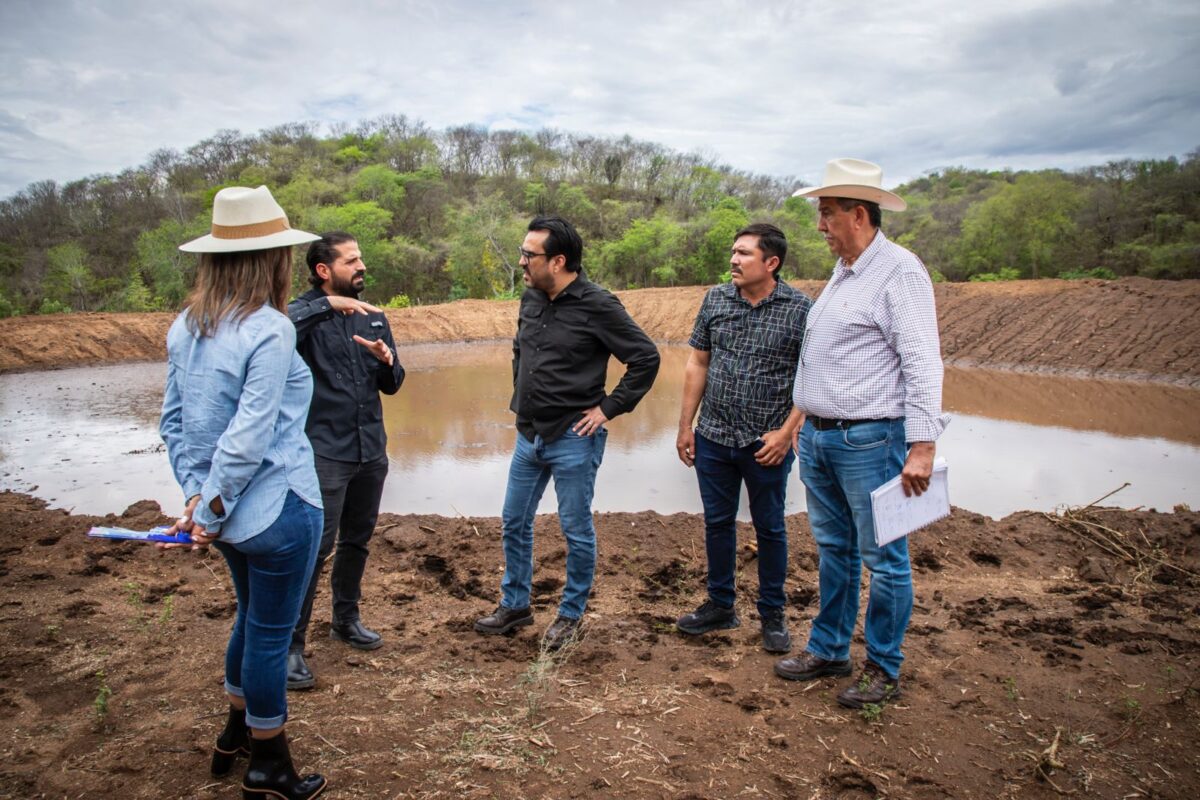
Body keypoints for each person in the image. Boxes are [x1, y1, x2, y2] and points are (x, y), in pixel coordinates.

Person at [159, 185, 327, 799]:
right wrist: (210, 507)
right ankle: (269, 767)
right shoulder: (270, 328)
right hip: (280, 508)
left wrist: (197, 502)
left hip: (226, 517)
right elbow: (248, 438)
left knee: (250, 619)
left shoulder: (186, 325)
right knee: (269, 635)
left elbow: (174, 424)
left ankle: (234, 736)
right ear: (272, 259)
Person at [774, 159, 948, 710]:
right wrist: (804, 419)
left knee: (884, 558)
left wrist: (922, 446)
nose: (819, 226)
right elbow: (828, 359)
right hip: (823, 441)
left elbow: (922, 361)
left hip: (871, 441)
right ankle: (829, 650)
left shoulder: (899, 270)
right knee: (833, 550)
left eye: (826, 215)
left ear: (858, 214)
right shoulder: (844, 273)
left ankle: (883, 667)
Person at [474, 215, 660, 650]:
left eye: (528, 255)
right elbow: (521, 350)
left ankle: (570, 615)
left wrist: (608, 409)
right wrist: (524, 397)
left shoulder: (599, 305)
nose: (521, 262)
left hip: (575, 435)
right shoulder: (531, 298)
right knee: (513, 521)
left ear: (557, 261)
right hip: (529, 434)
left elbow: (646, 359)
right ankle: (515, 605)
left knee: (575, 529)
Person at [675, 223, 811, 653]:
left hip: (766, 444)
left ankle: (772, 614)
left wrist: (788, 434)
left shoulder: (801, 309)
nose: (734, 260)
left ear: (771, 263)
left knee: (770, 527)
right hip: (713, 435)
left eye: (744, 254)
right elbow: (698, 363)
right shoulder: (715, 299)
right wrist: (685, 426)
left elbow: (813, 378)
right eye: (733, 252)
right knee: (717, 523)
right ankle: (721, 605)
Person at [284, 232, 405, 690]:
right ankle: (291, 646)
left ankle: (345, 620)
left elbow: (393, 383)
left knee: (358, 541)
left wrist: (386, 360)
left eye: (361, 257)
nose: (362, 266)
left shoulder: (374, 318)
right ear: (323, 270)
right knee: (313, 549)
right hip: (323, 453)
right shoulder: (299, 317)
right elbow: (280, 329)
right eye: (352, 260)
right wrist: (327, 307)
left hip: (370, 449)